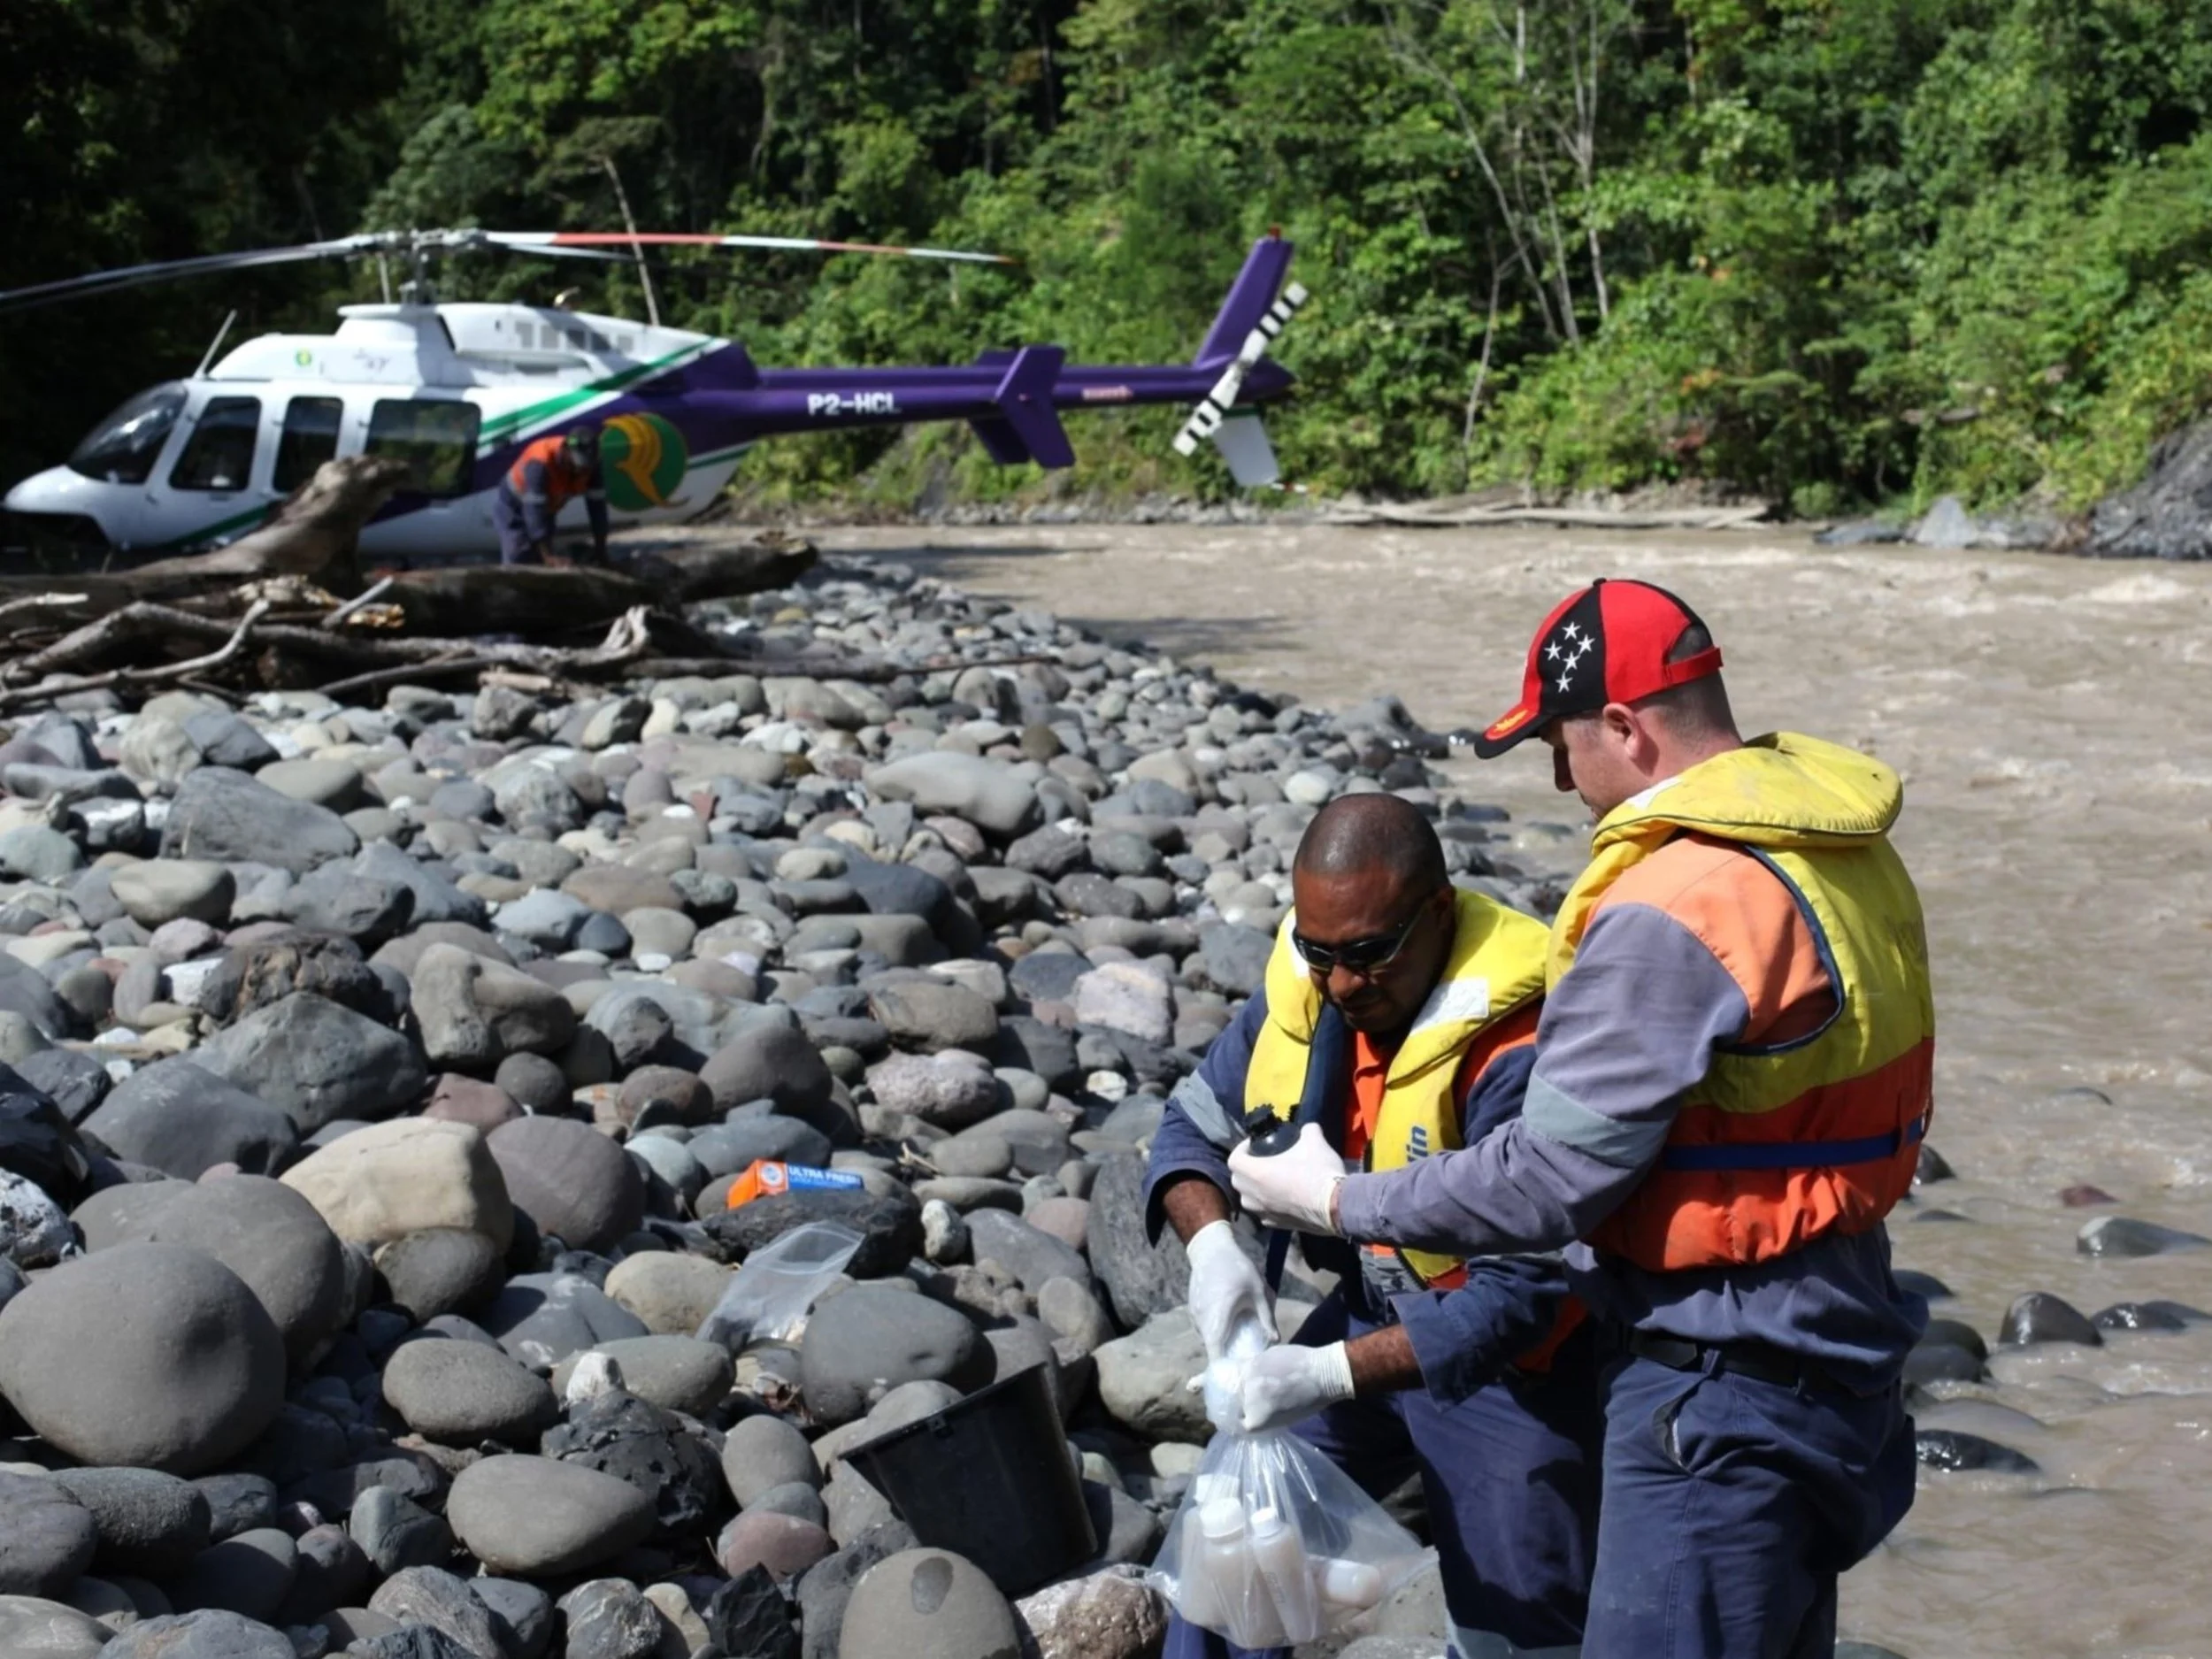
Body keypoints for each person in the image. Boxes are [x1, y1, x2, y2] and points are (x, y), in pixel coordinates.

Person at [1230, 580, 1932, 1659]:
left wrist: (1330, 1198)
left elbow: (1546, 1180)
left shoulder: (1672, 904)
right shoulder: (1838, 850)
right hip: (1844, 1340)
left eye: (1560, 744)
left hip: (1717, 1380)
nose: (1559, 778)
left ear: (1623, 727)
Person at [1148, 792, 1601, 1659]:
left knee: (1518, 1626)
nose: (1345, 983)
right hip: (1374, 1308)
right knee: (1227, 1546)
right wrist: (1212, 1248)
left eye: (1369, 954)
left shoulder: (1519, 1048)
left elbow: (1523, 1296)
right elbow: (1185, 1134)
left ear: (1436, 912)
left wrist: (1321, 1373)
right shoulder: (1311, 997)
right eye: (1321, 953)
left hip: (1519, 1372)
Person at [494, 424, 609, 566]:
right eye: (579, 465)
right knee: (519, 556)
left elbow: (598, 509)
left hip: (547, 507)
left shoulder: (592, 465)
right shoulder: (540, 463)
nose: (581, 471)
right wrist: (548, 556)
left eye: (586, 467)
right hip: (514, 507)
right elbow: (534, 512)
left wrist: (601, 551)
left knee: (540, 558)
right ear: (566, 451)